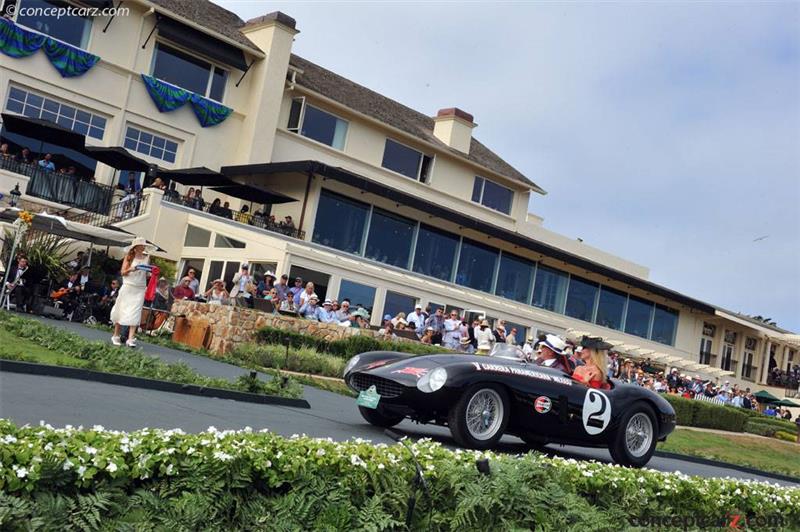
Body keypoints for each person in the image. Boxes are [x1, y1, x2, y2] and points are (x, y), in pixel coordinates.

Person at [110, 237, 152, 347]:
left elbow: (147, 274)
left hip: (140, 287)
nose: (143, 246)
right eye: (141, 245)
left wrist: (150, 274)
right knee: (122, 309)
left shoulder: (147, 258)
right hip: (129, 286)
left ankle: (130, 338)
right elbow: (123, 272)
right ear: (136, 247)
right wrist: (132, 269)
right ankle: (116, 335)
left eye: (144, 245)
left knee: (136, 311)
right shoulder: (129, 257)